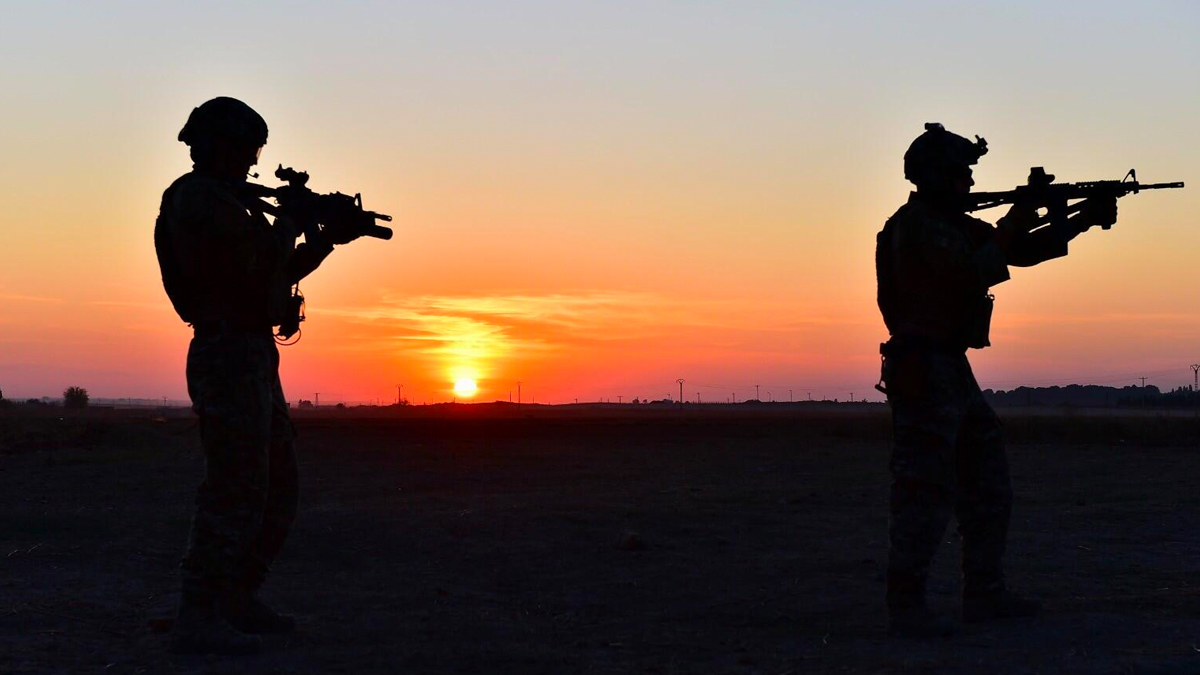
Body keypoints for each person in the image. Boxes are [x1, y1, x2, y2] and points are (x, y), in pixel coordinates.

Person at [875, 123, 1117, 638]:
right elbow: (977, 267)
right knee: (923, 487)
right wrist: (1027, 207)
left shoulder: (952, 223)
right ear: (934, 175)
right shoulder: (920, 227)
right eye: (960, 171)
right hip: (923, 367)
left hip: (949, 367)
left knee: (987, 480)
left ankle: (983, 593)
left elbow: (1020, 251)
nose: (968, 179)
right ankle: (906, 604)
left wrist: (1080, 219)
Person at [154, 97, 361, 654]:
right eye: (247, 148)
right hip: (225, 351)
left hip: (251, 349)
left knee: (276, 482)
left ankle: (235, 597)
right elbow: (245, 264)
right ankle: (199, 613)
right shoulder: (196, 199)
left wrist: (319, 244)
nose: (252, 160)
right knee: (235, 484)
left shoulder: (232, 201)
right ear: (218, 144)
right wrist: (290, 222)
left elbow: (270, 272)